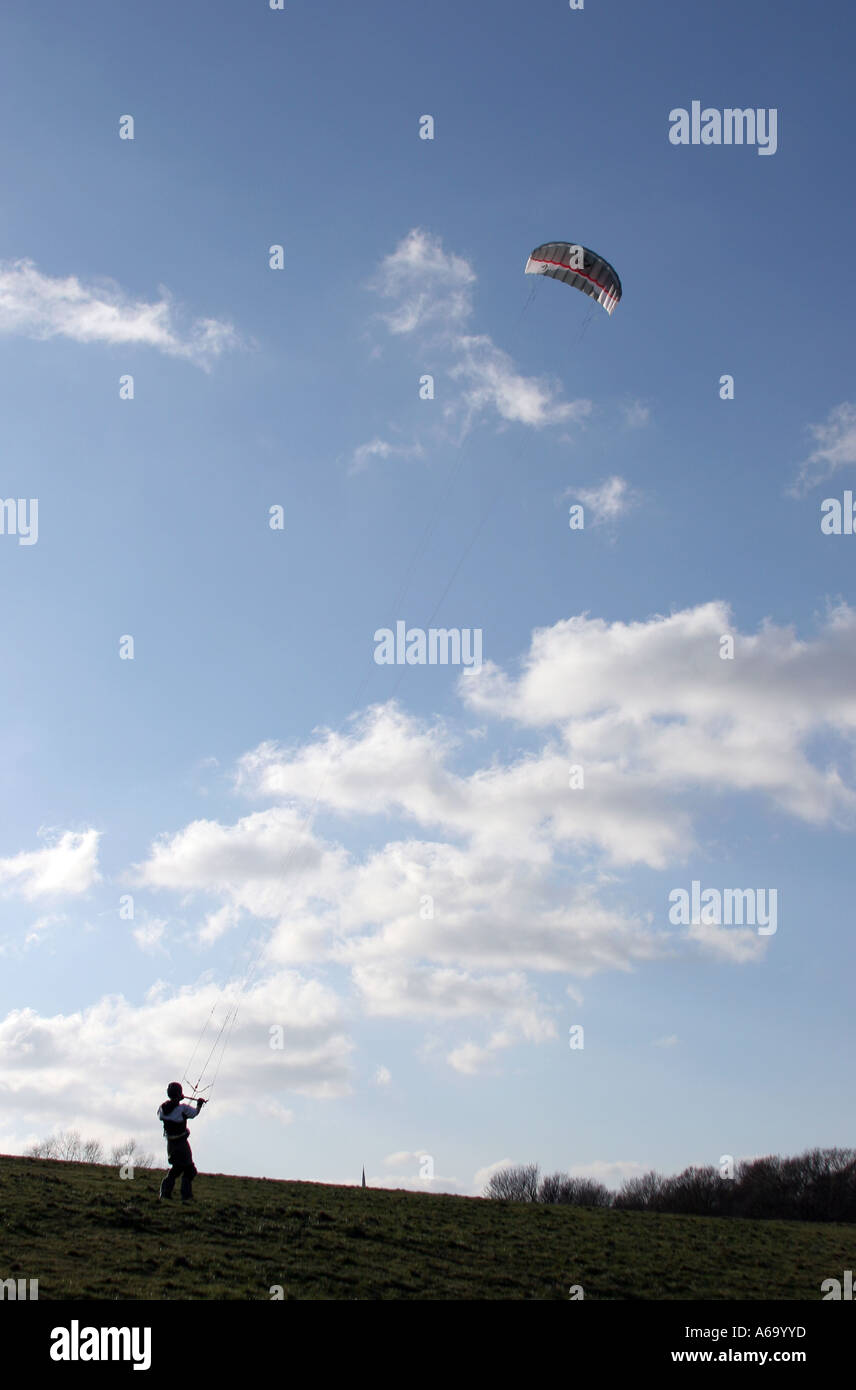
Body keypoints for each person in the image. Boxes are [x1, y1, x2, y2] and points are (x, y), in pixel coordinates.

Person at [157, 1082, 207, 1202]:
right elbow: (194, 1113)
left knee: (177, 1168)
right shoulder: (182, 1109)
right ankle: (186, 1196)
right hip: (181, 1144)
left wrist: (176, 1099)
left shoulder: (162, 1109)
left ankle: (165, 1193)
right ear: (179, 1094)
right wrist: (199, 1104)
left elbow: (164, 1112)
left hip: (170, 1145)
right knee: (190, 1170)